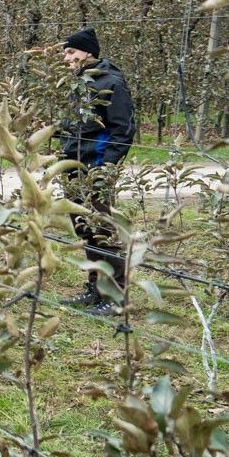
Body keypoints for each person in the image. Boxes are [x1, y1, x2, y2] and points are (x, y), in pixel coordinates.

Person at [57, 27, 136, 313]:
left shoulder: (111, 82)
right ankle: (96, 289)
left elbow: (123, 130)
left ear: (87, 52)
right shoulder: (77, 85)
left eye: (70, 52)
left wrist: (105, 168)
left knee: (103, 231)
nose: (66, 58)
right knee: (86, 230)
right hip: (74, 170)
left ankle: (115, 299)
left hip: (96, 171)